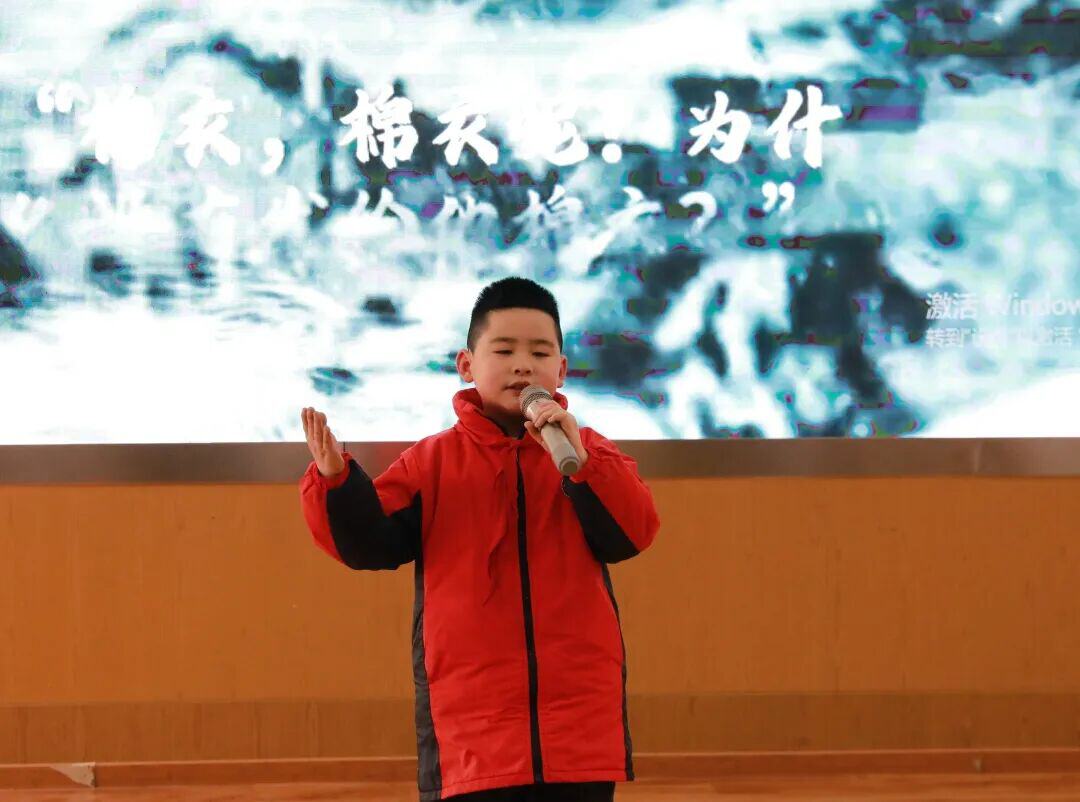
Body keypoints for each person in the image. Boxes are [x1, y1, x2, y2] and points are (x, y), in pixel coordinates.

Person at [299, 277, 660, 801]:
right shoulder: (432, 461)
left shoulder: (587, 451)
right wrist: (336, 481)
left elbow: (633, 532)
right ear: (467, 365)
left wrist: (583, 465)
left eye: (540, 353)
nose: (523, 366)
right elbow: (368, 544)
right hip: (471, 730)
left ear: (562, 370)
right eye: (504, 350)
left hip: (577, 726)